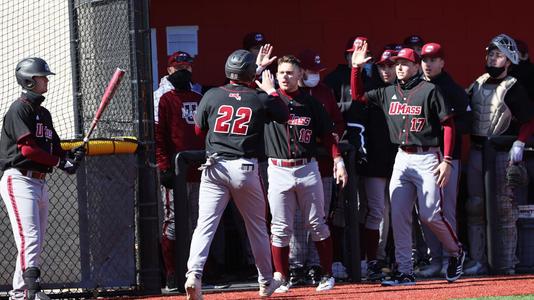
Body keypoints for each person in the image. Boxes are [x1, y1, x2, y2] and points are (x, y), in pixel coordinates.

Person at [350, 41, 465, 286]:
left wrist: (447, 159)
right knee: (399, 216)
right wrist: (356, 69)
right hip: (402, 158)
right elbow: (358, 95)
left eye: (405, 63)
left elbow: (448, 124)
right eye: (396, 64)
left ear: (415, 66)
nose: (399, 67)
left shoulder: (430, 90)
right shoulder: (388, 92)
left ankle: (456, 252)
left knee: (430, 215)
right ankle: (405, 271)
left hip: (428, 156)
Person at [184, 49, 289, 299]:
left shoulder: (211, 94)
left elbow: (199, 130)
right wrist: (271, 89)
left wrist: (256, 72)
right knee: (257, 229)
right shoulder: (259, 98)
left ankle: (193, 274)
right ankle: (265, 282)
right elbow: (284, 115)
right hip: (244, 168)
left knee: (204, 227)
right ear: (251, 74)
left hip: (214, 167)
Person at [0, 57, 86, 300]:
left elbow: (54, 148)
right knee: (31, 238)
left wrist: (71, 155)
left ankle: (19, 292)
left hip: (39, 181)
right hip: (19, 179)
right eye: (41, 76)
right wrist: (60, 162)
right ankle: (31, 290)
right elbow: (27, 150)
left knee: (33, 241)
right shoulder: (20, 109)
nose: (46, 80)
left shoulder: (43, 113)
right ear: (28, 81)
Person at [266, 55, 348, 292]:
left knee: (317, 223)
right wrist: (260, 70)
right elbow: (249, 93)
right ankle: (281, 276)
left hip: (307, 167)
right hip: (278, 168)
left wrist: (338, 160)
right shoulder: (268, 100)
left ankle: (327, 274)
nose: (284, 76)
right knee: (280, 228)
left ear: (300, 74)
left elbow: (328, 135)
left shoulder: (311, 104)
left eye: (290, 72)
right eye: (281, 72)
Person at [464, 34, 534, 275]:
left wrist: (520, 143)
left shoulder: (514, 86)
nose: (493, 59)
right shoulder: (479, 82)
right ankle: (477, 260)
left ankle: (507, 264)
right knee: (475, 206)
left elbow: (528, 119)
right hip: (476, 152)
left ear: (509, 60)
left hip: (502, 152)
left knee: (505, 207)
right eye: (491, 54)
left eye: (499, 55)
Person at [416, 42, 470, 277]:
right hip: (422, 157)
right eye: (425, 59)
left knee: (445, 211)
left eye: (433, 59)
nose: (428, 64)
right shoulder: (415, 86)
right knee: (425, 212)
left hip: (448, 158)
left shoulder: (452, 89)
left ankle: (452, 258)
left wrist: (439, 129)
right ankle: (434, 259)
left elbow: (467, 123)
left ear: (442, 62)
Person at [346, 48, 399, 281]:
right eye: (382, 66)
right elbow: (357, 100)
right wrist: (356, 70)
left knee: (400, 213)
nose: (386, 70)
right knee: (377, 211)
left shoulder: (407, 91)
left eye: (391, 66)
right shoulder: (373, 92)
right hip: (375, 162)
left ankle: (401, 259)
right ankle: (372, 260)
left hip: (402, 161)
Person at [155, 68, 204, 290]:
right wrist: (164, 167)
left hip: (200, 171)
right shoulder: (166, 99)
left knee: (199, 223)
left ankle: (198, 272)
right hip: (176, 172)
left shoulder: (199, 98)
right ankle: (172, 273)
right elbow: (160, 136)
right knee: (173, 222)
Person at [154, 51, 201, 124]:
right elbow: (158, 126)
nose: (183, 71)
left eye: (186, 67)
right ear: (169, 70)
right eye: (179, 68)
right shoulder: (159, 95)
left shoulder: (197, 94)